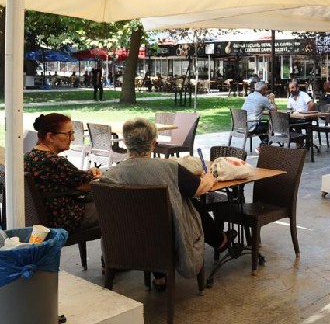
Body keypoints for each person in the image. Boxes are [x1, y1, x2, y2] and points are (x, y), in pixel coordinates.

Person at [100, 118, 236, 288]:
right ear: (153, 143)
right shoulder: (169, 167)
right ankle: (220, 240)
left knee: (150, 216)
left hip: (127, 238)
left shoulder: (111, 174)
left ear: (126, 144)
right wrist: (209, 177)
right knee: (187, 203)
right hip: (169, 236)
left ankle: (160, 277)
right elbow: (199, 189)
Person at [24, 113, 103, 232]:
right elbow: (87, 185)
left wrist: (89, 172)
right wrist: (95, 175)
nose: (73, 138)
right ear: (50, 136)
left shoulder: (29, 157)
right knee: (116, 207)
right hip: (65, 218)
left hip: (44, 217)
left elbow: (68, 177)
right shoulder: (54, 161)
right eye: (68, 134)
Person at [242, 81, 276, 149]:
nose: (266, 91)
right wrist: (272, 99)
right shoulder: (263, 99)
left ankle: (264, 144)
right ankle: (262, 147)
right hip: (252, 126)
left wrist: (265, 99)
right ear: (263, 90)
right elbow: (274, 110)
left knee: (263, 126)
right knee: (272, 126)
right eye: (266, 89)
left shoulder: (250, 96)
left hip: (243, 125)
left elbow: (257, 106)